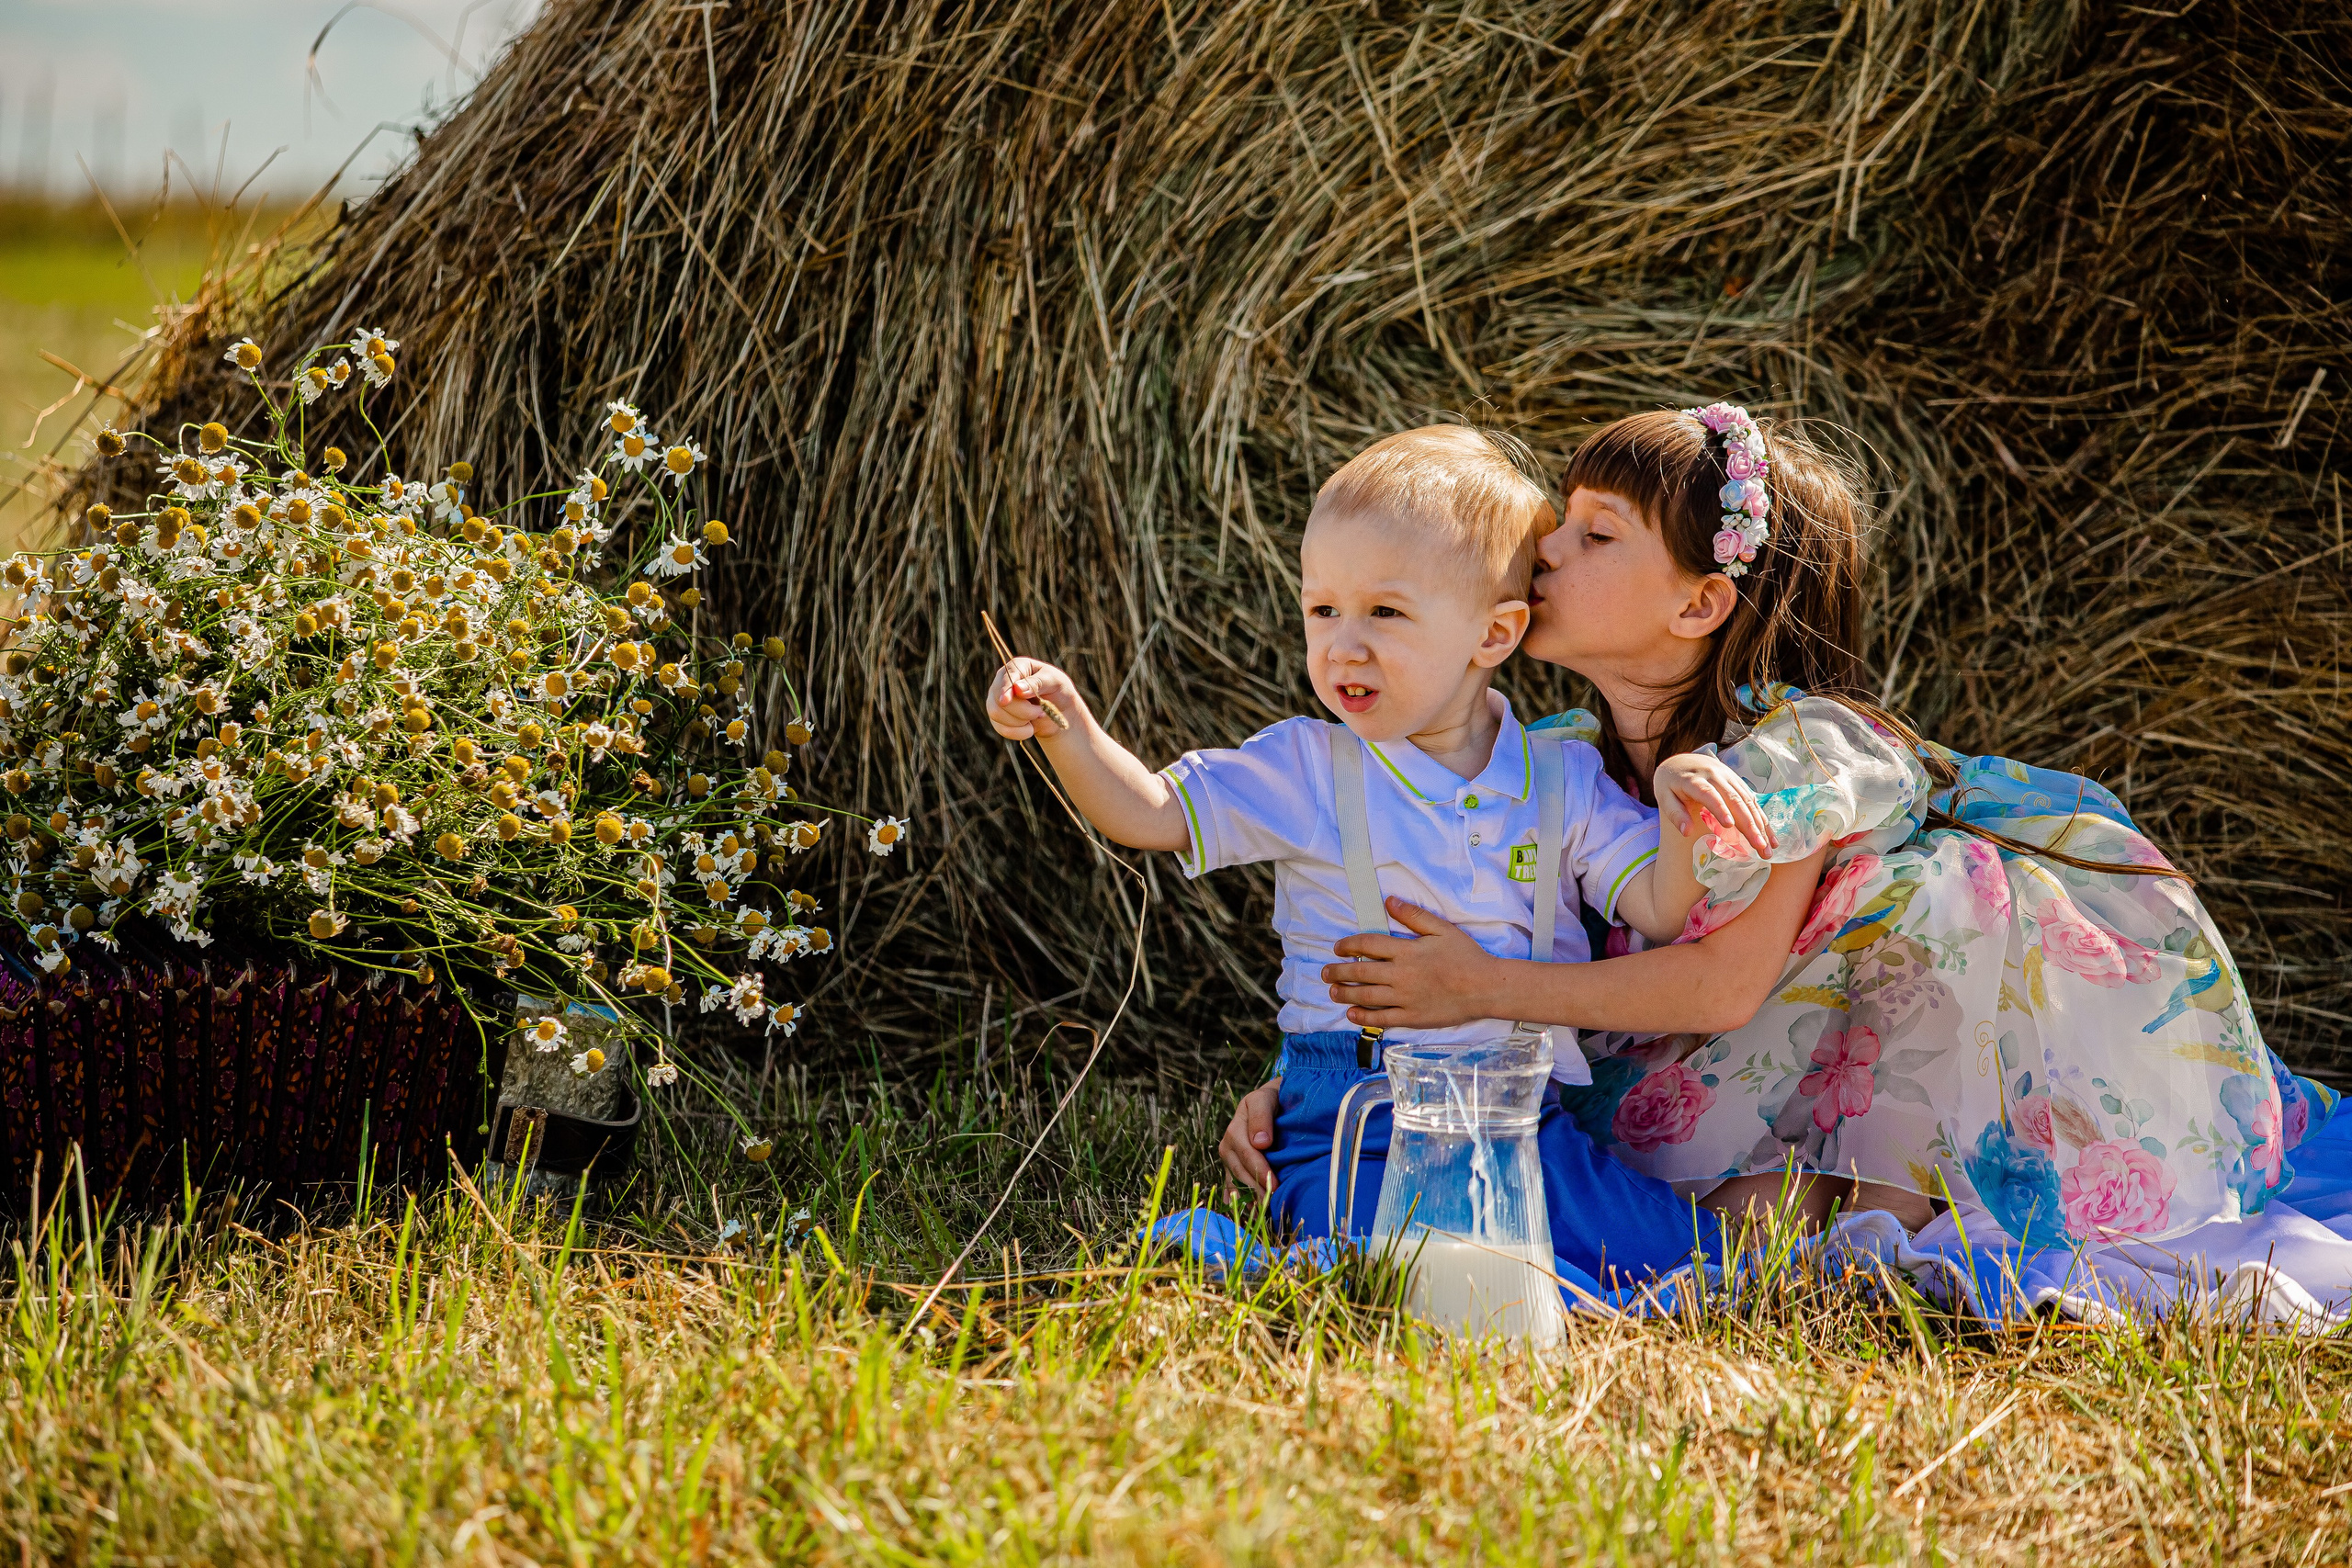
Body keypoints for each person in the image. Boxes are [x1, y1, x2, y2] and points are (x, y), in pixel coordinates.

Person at [1219, 404, 2336, 1253]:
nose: (1544, 549)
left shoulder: (1797, 763)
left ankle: (1875, 1216)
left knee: (1940, 899)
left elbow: (1714, 992)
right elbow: (1444, 929)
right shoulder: (1548, 758)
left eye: (1594, 535)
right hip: (1633, 1083)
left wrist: (1474, 992)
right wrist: (1318, 1080)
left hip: (1799, 1082)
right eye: (1557, 524)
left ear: (1698, 606)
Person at [986, 424, 1772, 1285]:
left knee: (1691, 1264)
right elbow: (1151, 810)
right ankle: (1250, 1252)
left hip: (1525, 1121)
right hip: (1358, 1118)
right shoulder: (1308, 767)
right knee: (1408, 1269)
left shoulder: (1562, 776)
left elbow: (1662, 908)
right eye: (1323, 609)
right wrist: (1066, 727)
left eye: (1384, 612)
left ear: (1495, 633)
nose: (1342, 645)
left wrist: (1676, 804)